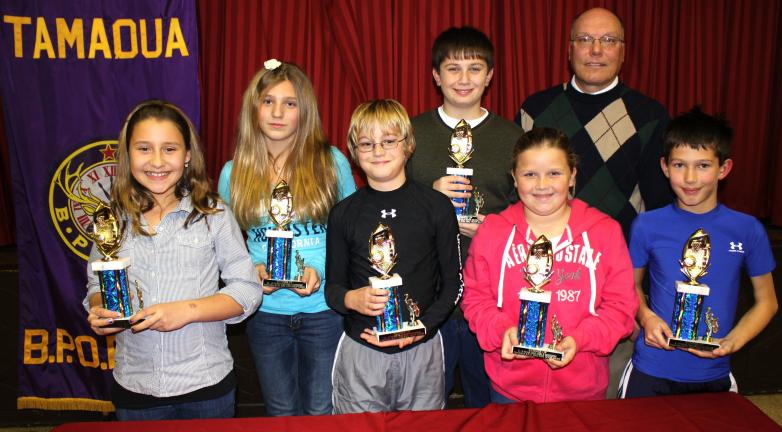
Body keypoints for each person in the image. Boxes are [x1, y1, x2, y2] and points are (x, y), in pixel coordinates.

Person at [84, 100, 262, 420]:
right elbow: (96, 284)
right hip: (135, 387)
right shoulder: (111, 219)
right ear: (127, 154)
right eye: (143, 148)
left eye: (169, 149)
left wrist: (187, 311)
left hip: (206, 386)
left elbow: (247, 290)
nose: (156, 161)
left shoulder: (213, 214)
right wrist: (101, 308)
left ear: (187, 155)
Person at [217, 60, 356, 416]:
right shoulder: (233, 173)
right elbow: (227, 247)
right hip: (265, 314)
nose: (277, 112)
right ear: (254, 108)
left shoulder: (331, 162)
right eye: (268, 101)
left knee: (322, 409)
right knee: (279, 410)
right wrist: (254, 269)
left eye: (289, 103)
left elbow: (350, 234)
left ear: (303, 111)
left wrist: (320, 270)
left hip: (324, 312)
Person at [461, 127, 638, 403]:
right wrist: (501, 331)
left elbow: (621, 308)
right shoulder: (493, 231)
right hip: (510, 390)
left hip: (583, 391)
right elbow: (475, 299)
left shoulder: (605, 232)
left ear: (572, 176)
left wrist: (580, 339)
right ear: (514, 178)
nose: (542, 185)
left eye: (554, 173)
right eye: (530, 174)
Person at [617, 108, 778, 398]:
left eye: (703, 166)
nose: (690, 178)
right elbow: (630, 286)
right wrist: (646, 317)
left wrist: (734, 340)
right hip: (651, 369)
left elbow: (767, 301)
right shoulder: (646, 225)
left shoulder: (747, 229)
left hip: (714, 373)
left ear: (724, 168)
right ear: (665, 167)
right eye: (680, 165)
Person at [407, 26, 522, 408]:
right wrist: (430, 199)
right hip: (427, 290)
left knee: (486, 403)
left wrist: (497, 227)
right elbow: (387, 206)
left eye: (475, 68)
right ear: (436, 75)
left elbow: (533, 211)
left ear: (490, 76)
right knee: (424, 403)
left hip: (491, 294)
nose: (464, 79)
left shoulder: (512, 137)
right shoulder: (410, 133)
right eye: (453, 68)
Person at [325, 99, 461, 413]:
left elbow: (454, 285)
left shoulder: (436, 206)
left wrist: (422, 328)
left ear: (408, 145)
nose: (378, 151)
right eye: (367, 143)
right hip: (362, 350)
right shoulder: (343, 213)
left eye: (388, 141)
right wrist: (351, 300)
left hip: (423, 349)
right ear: (354, 151)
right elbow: (332, 288)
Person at [516, 7, 671, 237]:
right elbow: (515, 189)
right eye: (584, 39)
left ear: (623, 52)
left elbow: (660, 206)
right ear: (570, 50)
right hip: (543, 255)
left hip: (619, 260)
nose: (596, 50)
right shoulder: (536, 109)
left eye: (608, 40)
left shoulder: (649, 116)